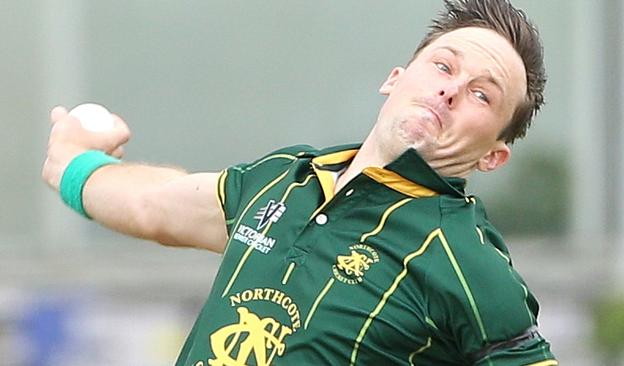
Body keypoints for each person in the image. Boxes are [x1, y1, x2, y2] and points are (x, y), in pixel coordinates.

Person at [42, 0, 558, 365]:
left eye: (482, 95)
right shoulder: (285, 180)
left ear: (493, 157)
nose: (450, 90)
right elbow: (155, 206)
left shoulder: (468, 262)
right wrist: (72, 165)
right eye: (443, 66)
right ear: (395, 79)